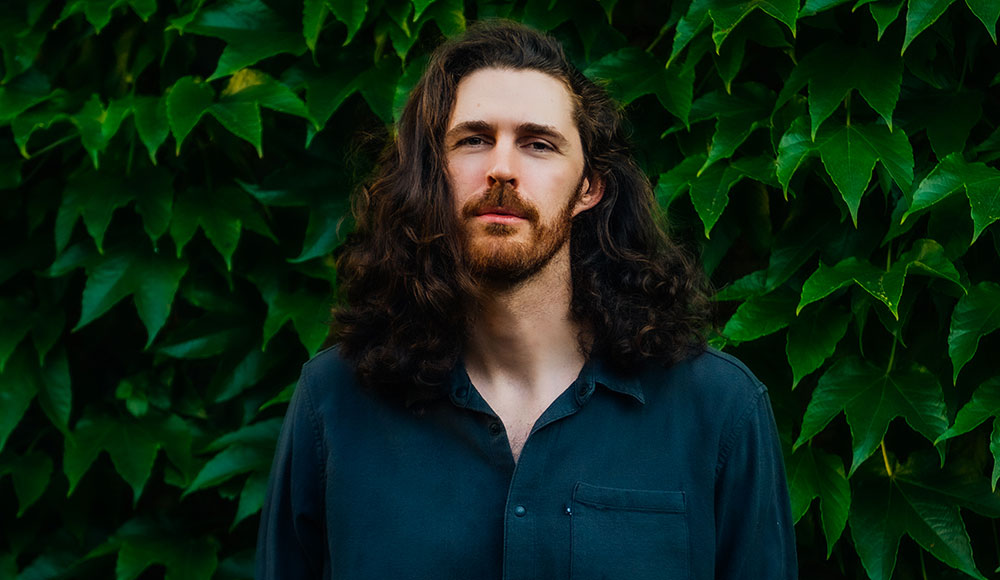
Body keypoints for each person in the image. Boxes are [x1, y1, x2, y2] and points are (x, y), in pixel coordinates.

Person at [256, 20, 797, 580]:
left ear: (589, 187)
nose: (502, 170)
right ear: (431, 174)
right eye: (473, 139)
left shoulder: (718, 410)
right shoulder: (335, 403)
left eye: (538, 144)